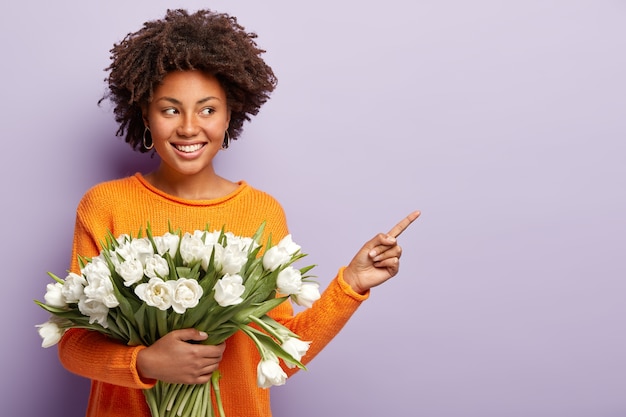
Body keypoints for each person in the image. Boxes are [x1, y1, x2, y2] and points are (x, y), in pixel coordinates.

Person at [57, 8, 419, 417]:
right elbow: (72, 344)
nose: (190, 127)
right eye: (170, 109)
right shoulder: (105, 205)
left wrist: (350, 284)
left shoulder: (260, 212)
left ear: (230, 115)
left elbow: (279, 354)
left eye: (208, 109)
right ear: (146, 115)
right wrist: (144, 362)